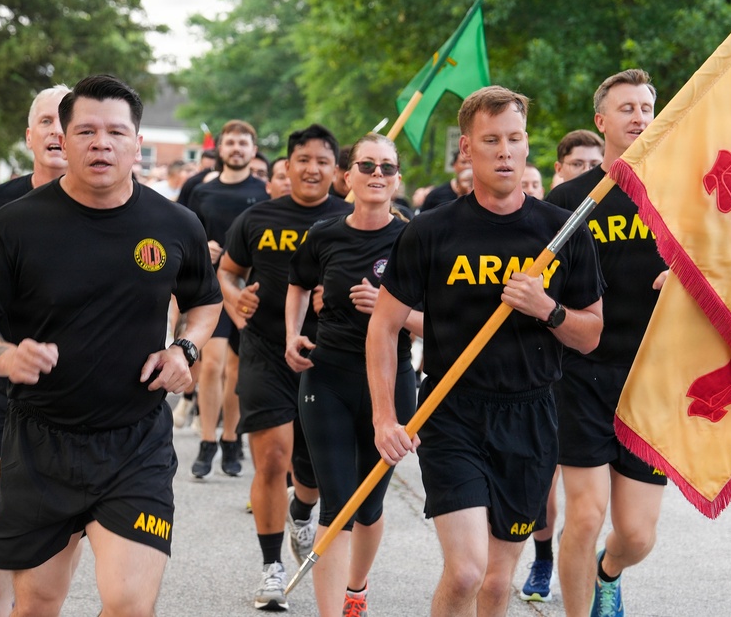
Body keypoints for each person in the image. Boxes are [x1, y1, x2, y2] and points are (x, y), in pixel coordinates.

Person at [0, 74, 222, 616]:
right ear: (64, 140)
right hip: (40, 443)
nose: (102, 143)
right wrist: (6, 356)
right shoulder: (12, 225)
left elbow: (204, 302)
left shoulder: (176, 224)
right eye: (87, 131)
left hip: (136, 443)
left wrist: (183, 351)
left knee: (128, 603)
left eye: (117, 132)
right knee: (37, 606)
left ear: (137, 144)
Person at [368, 85, 604, 617]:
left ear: (527, 148)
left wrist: (547, 308)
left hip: (532, 415)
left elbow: (590, 333)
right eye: (491, 140)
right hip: (453, 412)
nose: (504, 150)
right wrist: (386, 417)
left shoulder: (561, 234)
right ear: (467, 151)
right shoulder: (431, 231)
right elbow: (383, 327)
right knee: (468, 571)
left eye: (514, 139)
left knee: (497, 586)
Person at [546, 69, 668, 617]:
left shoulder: (680, 193)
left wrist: (693, 281)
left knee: (637, 535)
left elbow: (725, 266)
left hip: (651, 376)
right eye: (627, 108)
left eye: (647, 107)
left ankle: (608, 571)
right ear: (602, 121)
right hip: (581, 374)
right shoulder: (570, 199)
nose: (639, 117)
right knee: (587, 514)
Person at [285, 133, 422, 617]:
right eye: (367, 166)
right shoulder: (324, 233)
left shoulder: (413, 236)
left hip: (391, 383)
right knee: (338, 504)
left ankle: (356, 590)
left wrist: (391, 313)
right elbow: (299, 284)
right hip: (328, 377)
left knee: (368, 505)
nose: (377, 175)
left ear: (398, 178)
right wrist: (292, 335)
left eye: (387, 167)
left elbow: (437, 322)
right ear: (349, 177)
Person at [0, 84, 76, 617]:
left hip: (75, 382)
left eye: (63, 121)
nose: (54, 131)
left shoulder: (116, 202)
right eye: (44, 121)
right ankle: (1, 610)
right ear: (29, 136)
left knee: (59, 514)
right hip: (0, 375)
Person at [219, 124, 351, 611]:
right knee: (273, 458)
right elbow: (228, 271)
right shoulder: (257, 218)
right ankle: (272, 567)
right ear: (287, 166)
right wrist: (235, 299)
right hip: (265, 350)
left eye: (322, 161)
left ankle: (304, 511)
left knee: (311, 469)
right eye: (303, 159)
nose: (312, 168)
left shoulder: (352, 218)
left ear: (336, 171)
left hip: (330, 356)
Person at [518, 126, 605, 604]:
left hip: (590, 364)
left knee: (575, 494)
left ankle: (563, 561)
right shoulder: (552, 219)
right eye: (578, 165)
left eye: (596, 165)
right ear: (559, 170)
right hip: (544, 366)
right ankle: (544, 554)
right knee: (540, 480)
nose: (589, 174)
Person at [186, 120, 269, 478]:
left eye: (243, 143)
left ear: (253, 150)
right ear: (220, 149)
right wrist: (200, 246)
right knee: (211, 364)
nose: (236, 148)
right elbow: (183, 236)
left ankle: (231, 440)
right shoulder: (203, 192)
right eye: (230, 142)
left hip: (247, 291)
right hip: (210, 291)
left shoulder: (265, 193)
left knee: (236, 369)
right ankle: (207, 441)